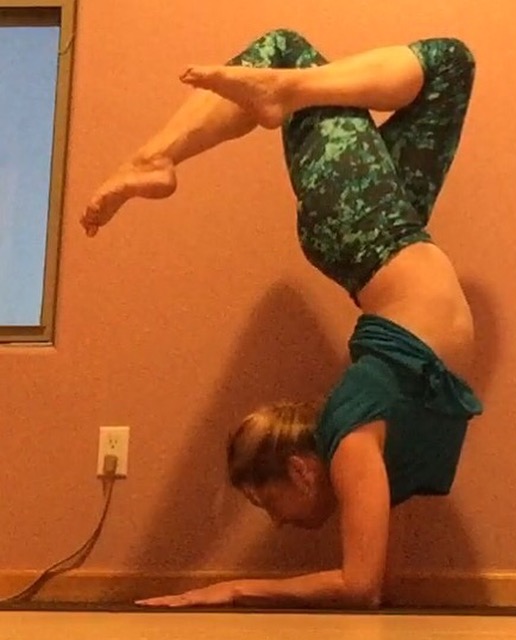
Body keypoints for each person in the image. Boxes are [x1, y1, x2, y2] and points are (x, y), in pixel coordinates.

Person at [82, 29, 483, 609]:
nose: (276, 521)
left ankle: (164, 153)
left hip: (366, 238)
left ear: (300, 471)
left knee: (296, 51)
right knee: (448, 70)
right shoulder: (360, 448)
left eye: (267, 502)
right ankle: (282, 94)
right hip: (383, 234)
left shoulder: (348, 433)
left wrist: (234, 588)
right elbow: (371, 585)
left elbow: (358, 585)